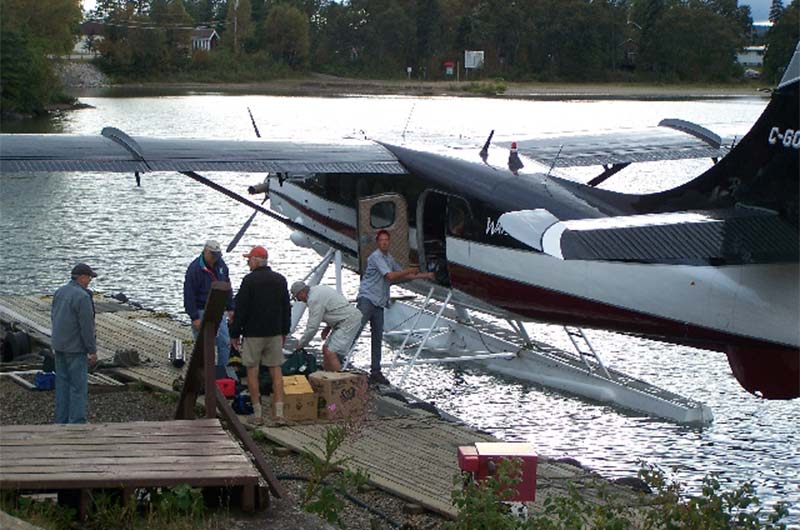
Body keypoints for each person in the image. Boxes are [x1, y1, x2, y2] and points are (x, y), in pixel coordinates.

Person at [357, 229, 434, 385]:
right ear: (378, 243)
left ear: (389, 242)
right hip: (368, 299)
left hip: (379, 302)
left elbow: (403, 274)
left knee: (377, 337)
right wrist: (410, 269)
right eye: (382, 240)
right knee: (355, 329)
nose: (385, 242)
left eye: (387, 240)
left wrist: (425, 275)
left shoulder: (388, 258)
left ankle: (376, 371)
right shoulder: (376, 257)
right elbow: (390, 276)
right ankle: (339, 358)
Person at [230, 245, 291, 423]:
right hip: (274, 333)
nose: (248, 262)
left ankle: (257, 414)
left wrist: (235, 334)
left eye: (249, 259)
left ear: (256, 261)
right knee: (276, 370)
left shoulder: (249, 281)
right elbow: (286, 308)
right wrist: (285, 331)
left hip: (253, 333)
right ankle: (279, 413)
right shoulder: (280, 280)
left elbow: (241, 310)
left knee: (252, 370)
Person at [51, 263, 98, 424]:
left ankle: (61, 420)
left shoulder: (59, 292)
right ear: (82, 277)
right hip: (76, 348)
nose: (90, 281)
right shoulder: (83, 297)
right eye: (89, 277)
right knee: (78, 387)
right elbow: (86, 327)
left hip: (59, 345)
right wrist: (92, 350)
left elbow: (54, 317)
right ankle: (77, 422)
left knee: (62, 384)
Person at [183, 240, 234, 370]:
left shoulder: (222, 266)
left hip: (218, 309)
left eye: (217, 255)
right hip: (200, 309)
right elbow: (189, 294)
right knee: (204, 345)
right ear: (205, 251)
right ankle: (204, 372)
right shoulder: (195, 269)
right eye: (212, 255)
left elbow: (227, 287)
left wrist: (230, 307)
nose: (214, 258)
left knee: (224, 342)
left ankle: (222, 370)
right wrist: (194, 317)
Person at [290, 281, 362, 372]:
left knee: (331, 352)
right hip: (343, 320)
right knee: (325, 349)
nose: (300, 301)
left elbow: (312, 327)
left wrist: (301, 344)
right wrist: (328, 327)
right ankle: (326, 377)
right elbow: (334, 308)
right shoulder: (318, 290)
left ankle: (338, 381)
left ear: (301, 293)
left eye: (298, 298)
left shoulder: (314, 299)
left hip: (348, 321)